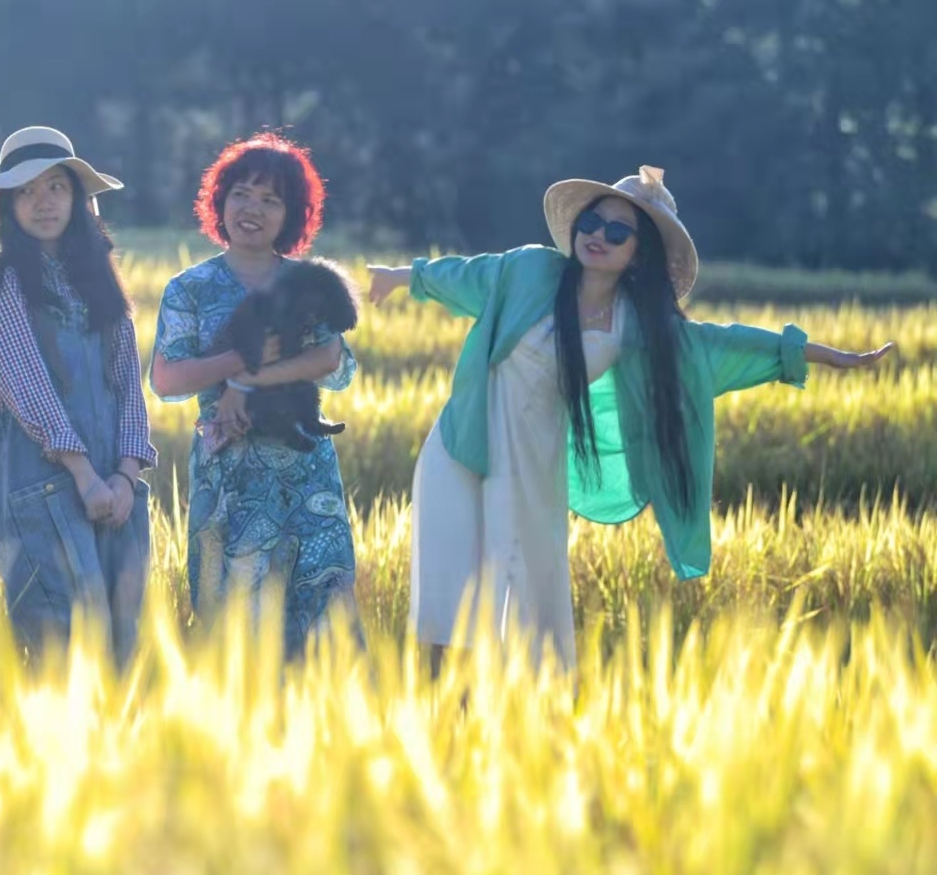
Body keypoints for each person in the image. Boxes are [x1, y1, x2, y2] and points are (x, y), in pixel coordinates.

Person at [368, 166, 894, 673]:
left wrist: (825, 356)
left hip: (533, 469)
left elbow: (723, 344)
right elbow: (462, 275)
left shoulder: (640, 328)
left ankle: (508, 735)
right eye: (593, 223)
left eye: (618, 231)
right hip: (463, 450)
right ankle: (442, 726)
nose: (599, 235)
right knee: (449, 600)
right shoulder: (529, 270)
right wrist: (398, 277)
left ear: (639, 253)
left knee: (521, 601)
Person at [149, 133, 361, 657]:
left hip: (304, 470)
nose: (254, 209)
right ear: (220, 200)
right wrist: (237, 363)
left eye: (272, 200)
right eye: (242, 193)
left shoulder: (307, 281)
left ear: (291, 215)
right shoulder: (189, 289)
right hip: (228, 472)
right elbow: (167, 379)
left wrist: (245, 384)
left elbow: (330, 359)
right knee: (234, 624)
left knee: (323, 615)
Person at [0, 126, 156, 665]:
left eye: (55, 187)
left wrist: (125, 476)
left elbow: (127, 385)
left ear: (78, 198)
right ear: (7, 206)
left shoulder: (98, 279)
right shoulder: (1, 282)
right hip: (41, 491)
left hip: (113, 490)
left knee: (122, 649)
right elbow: (28, 390)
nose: (42, 202)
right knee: (63, 647)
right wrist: (86, 476)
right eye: (25, 191)